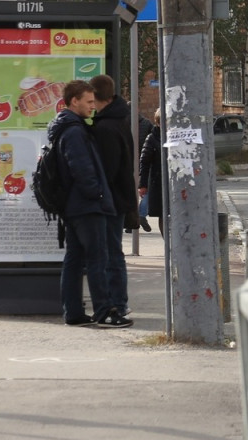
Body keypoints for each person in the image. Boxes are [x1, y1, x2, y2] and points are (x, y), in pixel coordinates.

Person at [49, 79, 131, 328]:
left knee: (74, 258)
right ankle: (105, 311)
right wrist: (97, 194)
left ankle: (73, 312)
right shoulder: (74, 131)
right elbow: (82, 168)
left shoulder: (68, 127)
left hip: (76, 205)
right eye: (88, 101)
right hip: (87, 205)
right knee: (98, 258)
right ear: (75, 101)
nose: (93, 106)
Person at [89, 74, 136, 319]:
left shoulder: (106, 127)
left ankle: (117, 301)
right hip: (118, 197)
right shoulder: (118, 119)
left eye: (91, 98)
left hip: (111, 199)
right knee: (112, 251)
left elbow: (107, 169)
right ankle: (118, 300)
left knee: (110, 253)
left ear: (97, 97)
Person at [139, 108, 164, 229]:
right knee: (163, 213)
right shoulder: (153, 138)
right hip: (158, 181)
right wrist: (142, 185)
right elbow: (144, 162)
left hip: (175, 183)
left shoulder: (176, 136)